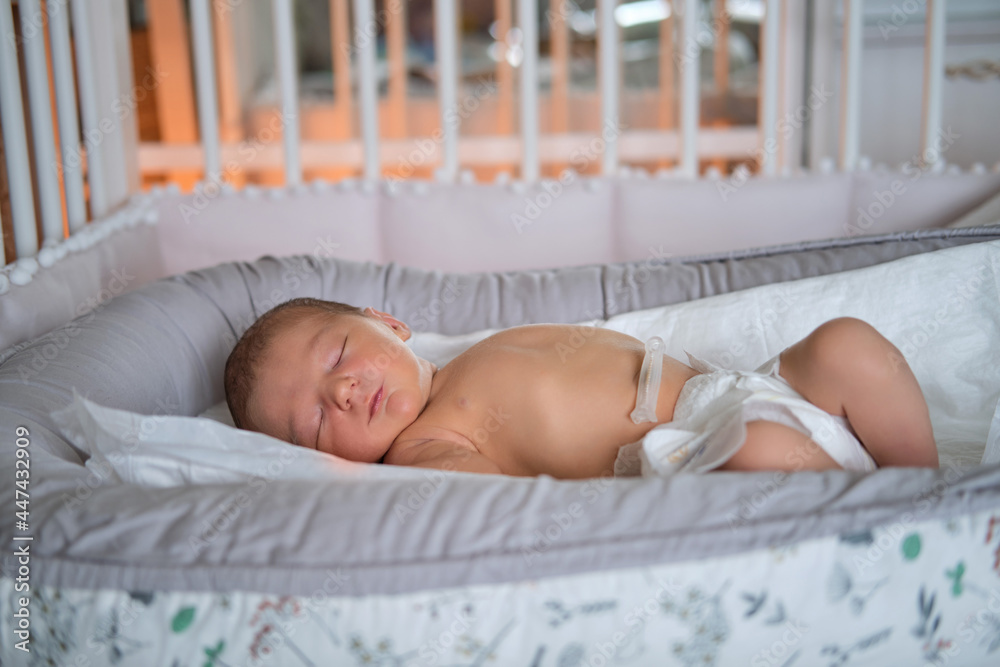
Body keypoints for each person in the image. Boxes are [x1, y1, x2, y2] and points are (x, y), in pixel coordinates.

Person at [224, 298, 939, 478]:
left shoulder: (472, 351)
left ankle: (933, 495)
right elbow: (486, 505)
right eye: (315, 421)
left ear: (389, 322)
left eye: (339, 354)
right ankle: (893, 525)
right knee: (760, 450)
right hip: (693, 450)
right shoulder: (423, 442)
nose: (345, 390)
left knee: (848, 345)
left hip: (740, 388)